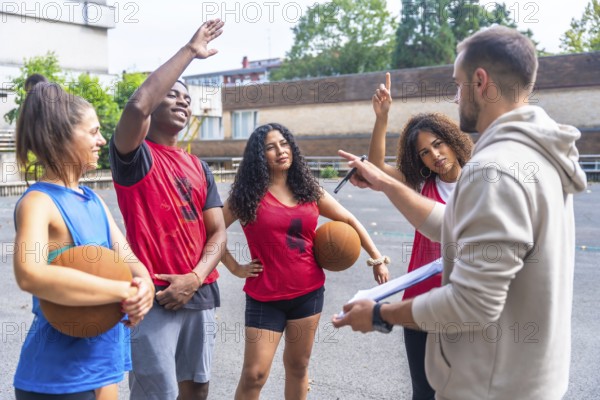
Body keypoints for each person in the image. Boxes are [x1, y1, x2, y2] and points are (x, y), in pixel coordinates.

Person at [332, 26, 587, 400]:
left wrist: (379, 314)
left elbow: (472, 303)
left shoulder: (492, 170)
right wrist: (386, 183)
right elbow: (452, 227)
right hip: (532, 378)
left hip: (493, 387)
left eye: (458, 84)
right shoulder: (539, 153)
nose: (456, 96)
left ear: (480, 82)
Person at [221, 123, 390, 400]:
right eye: (270, 147)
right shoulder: (246, 196)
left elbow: (348, 220)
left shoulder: (308, 190)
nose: (280, 151)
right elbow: (212, 232)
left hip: (308, 294)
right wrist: (234, 267)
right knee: (254, 375)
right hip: (265, 296)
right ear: (258, 156)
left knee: (298, 366)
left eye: (284, 143)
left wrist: (377, 259)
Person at [12, 81, 154, 400]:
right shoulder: (39, 202)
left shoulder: (93, 200)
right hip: (55, 381)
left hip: (104, 369)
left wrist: (145, 289)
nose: (102, 140)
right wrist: (122, 291)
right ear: (60, 136)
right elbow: (29, 273)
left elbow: (133, 264)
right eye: (93, 132)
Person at [109, 20, 226, 400]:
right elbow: (137, 104)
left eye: (187, 99)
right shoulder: (134, 157)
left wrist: (195, 276)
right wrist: (191, 51)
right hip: (154, 296)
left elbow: (219, 233)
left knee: (197, 389)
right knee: (156, 392)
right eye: (173, 94)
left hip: (199, 291)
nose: (182, 101)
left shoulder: (199, 167)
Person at [369, 72, 473, 400]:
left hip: (463, 302)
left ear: (451, 140)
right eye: (426, 152)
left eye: (438, 144)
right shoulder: (421, 185)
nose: (435, 155)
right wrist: (382, 119)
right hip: (419, 302)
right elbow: (374, 168)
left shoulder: (480, 180)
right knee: (423, 392)